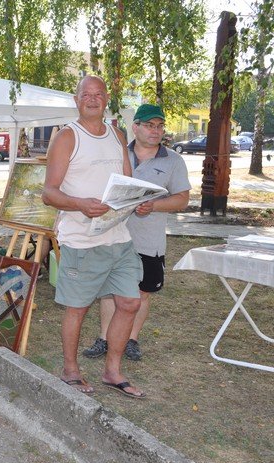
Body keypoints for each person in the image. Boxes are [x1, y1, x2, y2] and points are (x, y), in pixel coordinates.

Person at [42, 75, 145, 399]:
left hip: (118, 237)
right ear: (76, 100)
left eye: (98, 94)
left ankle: (112, 372)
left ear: (106, 99)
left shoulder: (117, 134)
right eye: (85, 94)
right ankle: (70, 371)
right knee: (78, 308)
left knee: (130, 302)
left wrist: (138, 200)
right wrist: (80, 205)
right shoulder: (67, 137)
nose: (92, 99)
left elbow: (127, 182)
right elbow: (48, 193)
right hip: (82, 240)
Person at [82, 104, 191, 361]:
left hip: (149, 241)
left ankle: (131, 339)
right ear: (136, 127)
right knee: (110, 290)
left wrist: (154, 205)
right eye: (150, 125)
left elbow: (182, 199)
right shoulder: (117, 153)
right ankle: (104, 338)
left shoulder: (173, 160)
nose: (156, 131)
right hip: (112, 236)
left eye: (160, 126)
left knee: (142, 292)